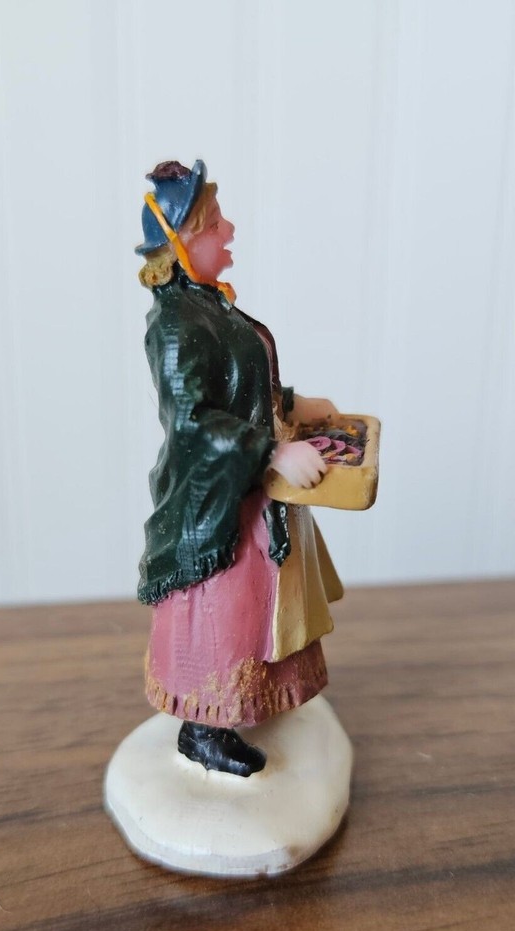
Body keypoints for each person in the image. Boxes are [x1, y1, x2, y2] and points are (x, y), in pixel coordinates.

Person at [136, 160, 344, 777]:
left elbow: (241, 391)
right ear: (183, 241)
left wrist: (293, 406)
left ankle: (252, 702)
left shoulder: (210, 306)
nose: (228, 231)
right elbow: (194, 421)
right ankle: (204, 727)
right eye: (214, 224)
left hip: (251, 493)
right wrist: (272, 451)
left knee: (256, 611)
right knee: (222, 612)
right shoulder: (175, 324)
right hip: (219, 505)